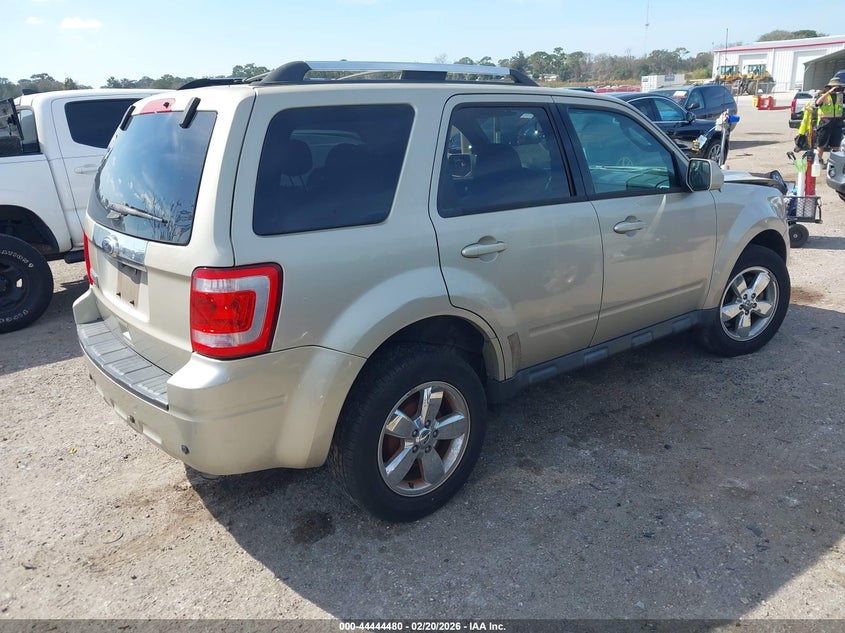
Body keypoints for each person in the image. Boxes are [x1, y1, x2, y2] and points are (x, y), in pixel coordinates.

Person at [814, 76, 844, 166]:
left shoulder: (840, 95)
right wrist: (829, 92)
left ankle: (833, 161)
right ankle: (819, 160)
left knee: (836, 143)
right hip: (825, 122)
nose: (836, 89)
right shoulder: (823, 95)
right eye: (835, 87)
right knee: (821, 143)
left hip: (837, 123)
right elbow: (817, 103)